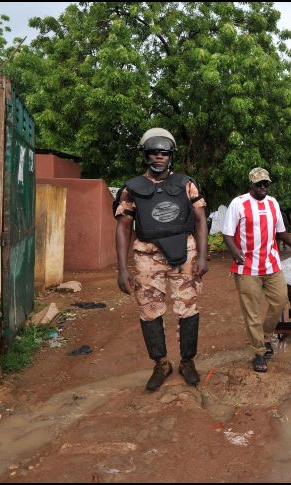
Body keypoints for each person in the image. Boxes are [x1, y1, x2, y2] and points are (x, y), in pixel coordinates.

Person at [114, 128, 208, 392]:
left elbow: (201, 219)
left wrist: (202, 255)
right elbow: (123, 228)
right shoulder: (131, 188)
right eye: (154, 152)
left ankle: (187, 362)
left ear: (171, 156)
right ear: (145, 154)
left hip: (184, 253)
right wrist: (123, 268)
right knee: (149, 310)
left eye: (164, 153)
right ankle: (161, 363)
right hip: (146, 255)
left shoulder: (186, 183)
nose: (159, 157)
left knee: (188, 308)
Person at [221, 168, 291, 373]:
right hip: (247, 266)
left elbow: (280, 231)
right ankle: (258, 352)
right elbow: (227, 233)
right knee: (253, 311)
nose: (263, 187)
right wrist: (234, 251)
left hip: (271, 264)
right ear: (251, 185)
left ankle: (265, 337)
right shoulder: (238, 203)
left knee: (280, 300)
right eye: (259, 184)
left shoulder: (273, 203)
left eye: (266, 183)